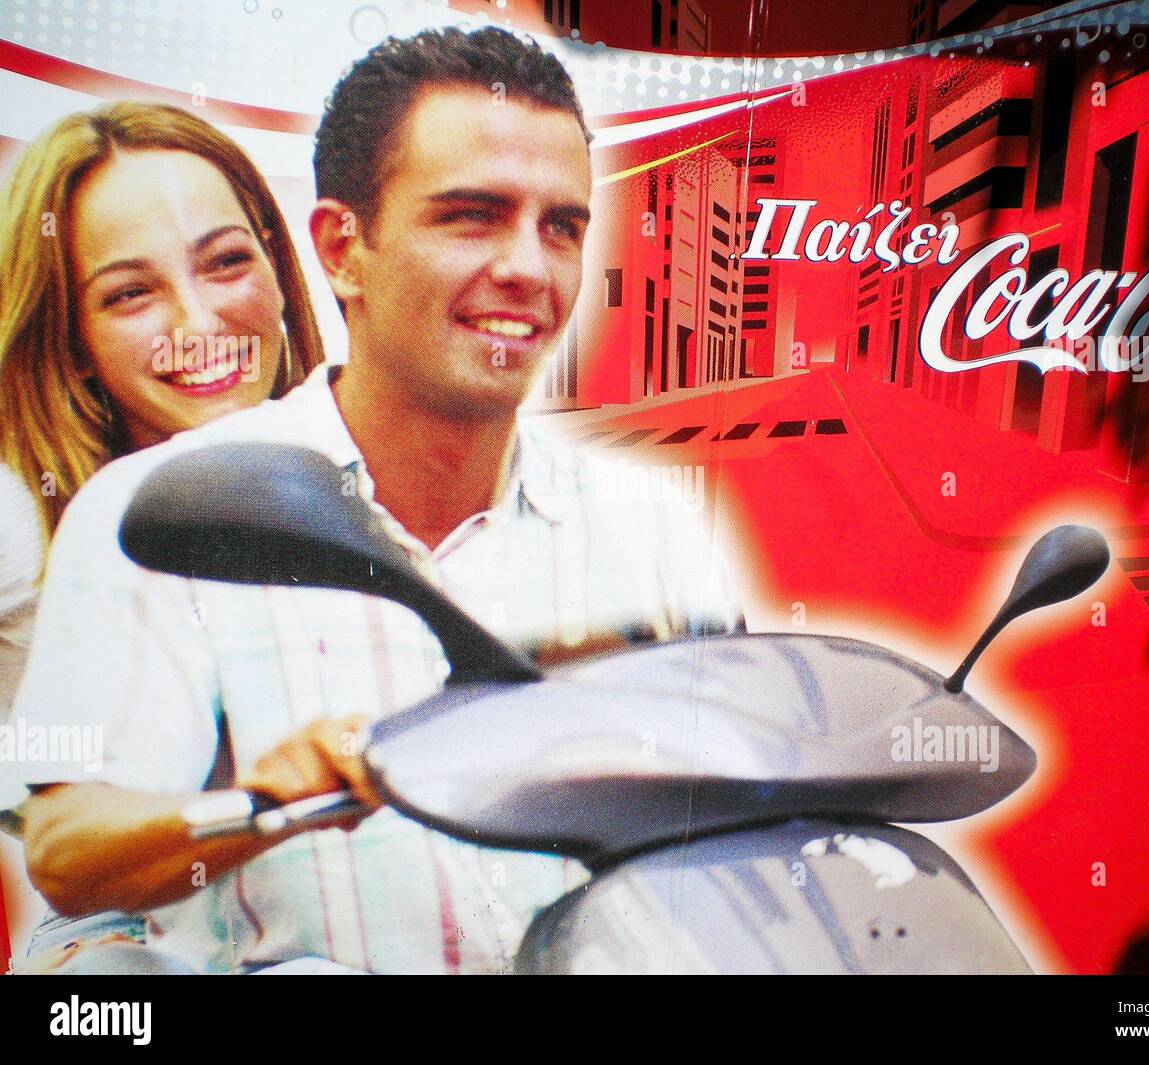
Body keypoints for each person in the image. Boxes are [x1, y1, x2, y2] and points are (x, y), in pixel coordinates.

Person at [14, 27, 744, 974]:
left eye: (561, 224)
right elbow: (69, 851)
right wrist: (265, 800)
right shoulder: (157, 512)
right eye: (472, 216)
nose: (529, 266)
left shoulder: (653, 527)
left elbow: (738, 829)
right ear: (341, 249)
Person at [0, 101, 326, 971]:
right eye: (131, 293)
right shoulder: (31, 523)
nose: (198, 321)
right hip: (121, 936)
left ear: (280, 271)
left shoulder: (350, 469)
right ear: (73, 343)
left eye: (226, 263)